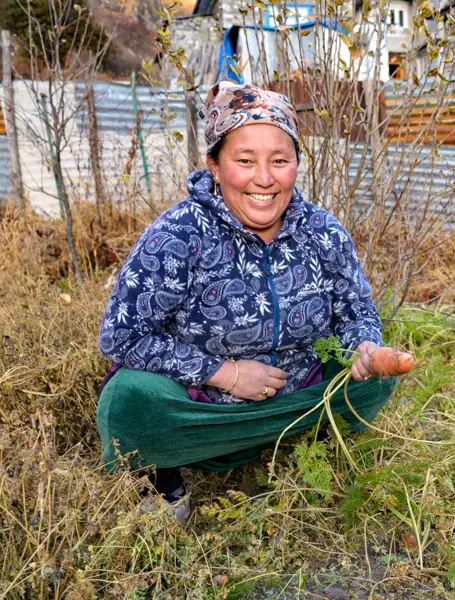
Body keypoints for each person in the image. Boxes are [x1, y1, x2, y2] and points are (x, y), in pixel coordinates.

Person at [96, 82, 397, 519]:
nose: (264, 178)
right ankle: (165, 478)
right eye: (244, 161)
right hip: (204, 409)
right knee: (130, 397)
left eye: (280, 160)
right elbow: (121, 336)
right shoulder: (177, 235)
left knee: (378, 375)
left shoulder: (323, 232)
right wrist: (226, 374)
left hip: (298, 397)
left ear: (297, 164)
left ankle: (296, 444)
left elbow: (356, 313)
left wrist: (364, 347)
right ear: (215, 166)